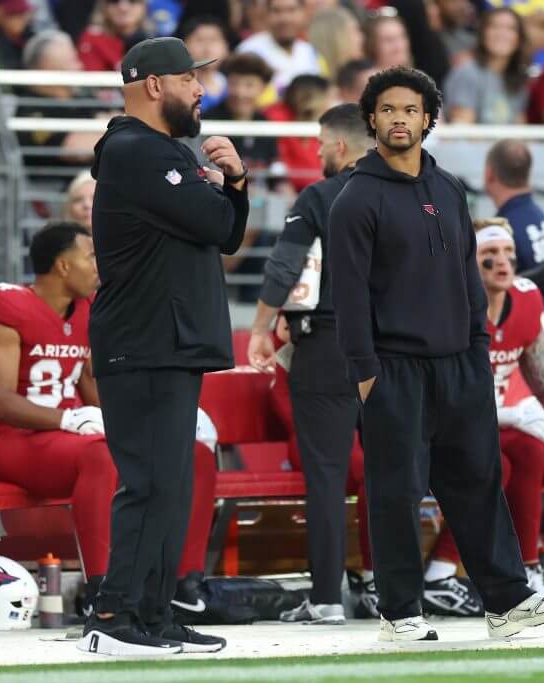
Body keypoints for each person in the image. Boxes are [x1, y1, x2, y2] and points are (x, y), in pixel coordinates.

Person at [329, 66, 544, 642]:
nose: (398, 119)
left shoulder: (448, 188)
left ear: (427, 119)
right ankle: (399, 614)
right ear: (371, 118)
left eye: (410, 110)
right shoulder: (355, 199)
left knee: (478, 483)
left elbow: (469, 276)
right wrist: (365, 375)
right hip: (392, 369)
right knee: (396, 493)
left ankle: (508, 602)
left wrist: (477, 347)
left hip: (459, 365)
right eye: (387, 110)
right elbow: (348, 295)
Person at [83, 36, 249, 656]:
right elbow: (212, 223)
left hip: (167, 342)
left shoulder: (158, 152)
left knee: (170, 485)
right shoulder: (133, 150)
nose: (201, 90)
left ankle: (152, 614)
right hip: (146, 340)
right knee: (150, 483)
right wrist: (220, 188)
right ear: (154, 85)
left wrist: (234, 181)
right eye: (190, 79)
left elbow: (226, 230)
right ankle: (114, 614)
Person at [0, 222, 220, 632]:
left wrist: (163, 420)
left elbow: (92, 388)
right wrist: (67, 419)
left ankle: (179, 585)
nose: (98, 265)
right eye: (89, 256)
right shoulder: (6, 306)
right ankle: (103, 594)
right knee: (102, 454)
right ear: (63, 266)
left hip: (69, 437)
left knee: (188, 453)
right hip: (15, 441)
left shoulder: (87, 311)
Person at [247, 103, 376, 625]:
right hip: (398, 349)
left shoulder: (322, 195)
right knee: (393, 470)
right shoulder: (415, 192)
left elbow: (287, 264)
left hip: (329, 344)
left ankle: (326, 597)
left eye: (322, 143)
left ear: (340, 145)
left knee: (325, 474)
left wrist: (260, 326)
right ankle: (394, 590)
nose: (319, 152)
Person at [422, 221, 544, 615]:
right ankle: (448, 570)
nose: (503, 262)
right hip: (446, 428)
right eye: (491, 255)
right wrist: (511, 414)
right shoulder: (452, 305)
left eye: (508, 254)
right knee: (502, 459)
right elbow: (447, 398)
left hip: (494, 429)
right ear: (471, 261)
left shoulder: (529, 299)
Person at [483, 140, 544, 323]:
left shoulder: (501, 232)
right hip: (543, 334)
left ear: (489, 174)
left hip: (518, 340)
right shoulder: (543, 221)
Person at [16, 30, 107, 185]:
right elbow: (77, 149)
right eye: (72, 60)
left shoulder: (80, 99)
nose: (80, 65)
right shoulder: (32, 111)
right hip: (58, 193)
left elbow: (110, 119)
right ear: (49, 68)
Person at [442, 8, 530, 125]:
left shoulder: (518, 78)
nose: (501, 34)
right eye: (494, 26)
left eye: (511, 28)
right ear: (483, 34)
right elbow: (462, 131)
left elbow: (521, 129)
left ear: (519, 39)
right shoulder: (467, 72)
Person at [203, 53, 279, 173]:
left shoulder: (266, 125)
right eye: (234, 83)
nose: (240, 93)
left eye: (249, 85)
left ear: (263, 88)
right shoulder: (208, 121)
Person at [236, 0, 320, 92]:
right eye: (276, 11)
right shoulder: (250, 51)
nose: (285, 18)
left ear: (303, 13)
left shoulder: (310, 52)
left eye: (291, 10)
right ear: (266, 15)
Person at [78, 0, 153, 72]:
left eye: (132, 0)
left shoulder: (155, 39)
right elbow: (92, 78)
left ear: (143, 6)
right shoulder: (93, 38)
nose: (123, 7)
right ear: (104, 6)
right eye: (114, 0)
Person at [179, 15, 231, 111]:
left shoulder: (234, 88)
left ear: (226, 48)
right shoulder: (178, 90)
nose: (207, 48)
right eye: (200, 40)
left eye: (214, 40)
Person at [308, 7, 365, 80]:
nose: (361, 37)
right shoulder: (314, 77)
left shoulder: (363, 75)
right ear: (337, 38)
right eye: (355, 30)